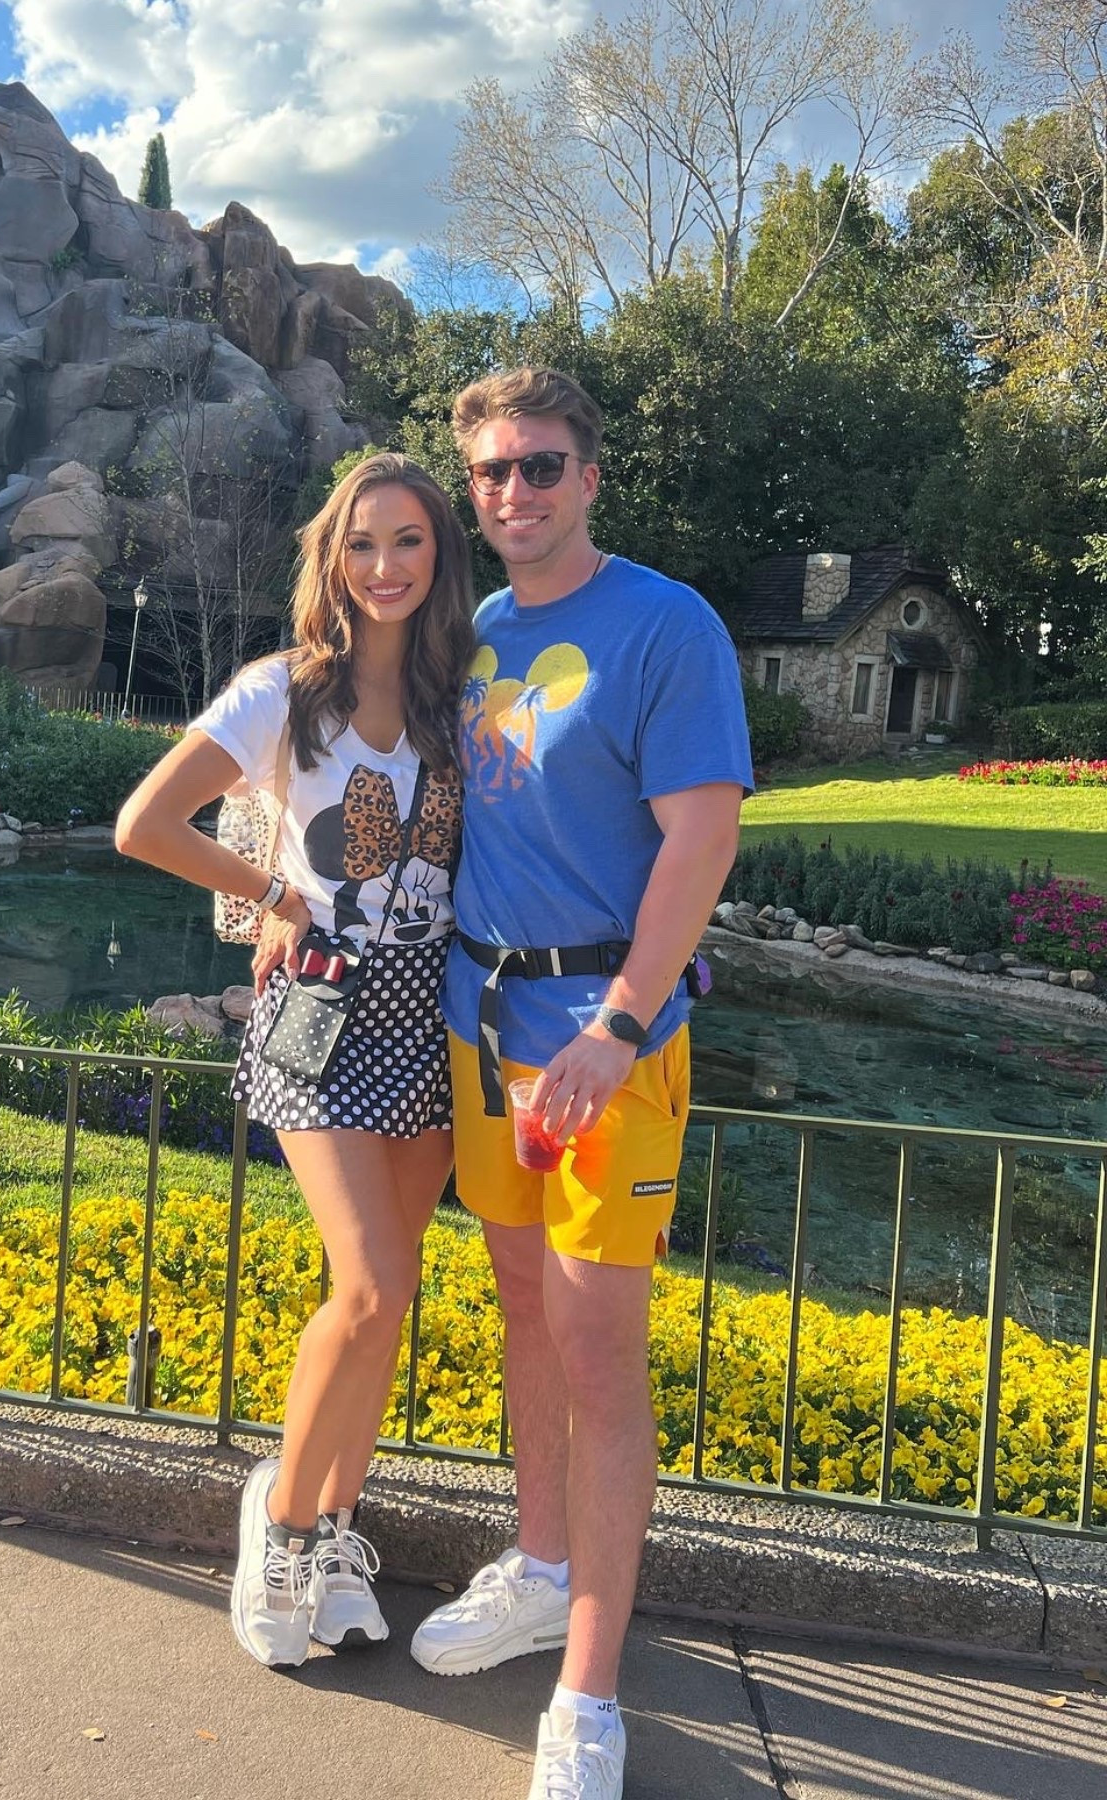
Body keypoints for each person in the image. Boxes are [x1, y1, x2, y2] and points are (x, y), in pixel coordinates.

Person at [409, 369, 754, 1800]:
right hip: (477, 1018)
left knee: (602, 1352)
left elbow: (701, 841)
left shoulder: (668, 626)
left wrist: (622, 1020)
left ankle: (589, 1693)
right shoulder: (475, 630)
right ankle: (542, 1568)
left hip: (602, 1037)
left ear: (592, 475)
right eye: (490, 473)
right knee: (522, 1314)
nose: (513, 496)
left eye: (540, 467)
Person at [115, 452, 475, 1669]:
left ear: (441, 556)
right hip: (320, 1015)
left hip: (428, 1016)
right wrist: (273, 889)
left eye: (411, 542)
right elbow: (144, 824)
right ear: (332, 557)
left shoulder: (457, 698)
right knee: (366, 1285)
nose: (386, 566)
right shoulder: (281, 692)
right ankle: (275, 1527)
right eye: (363, 543)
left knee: (392, 1297)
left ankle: (327, 1529)